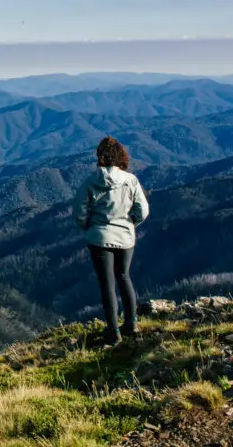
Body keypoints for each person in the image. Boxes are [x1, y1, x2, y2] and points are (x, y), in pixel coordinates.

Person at [74, 136, 149, 346]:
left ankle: (113, 331)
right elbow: (142, 210)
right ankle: (132, 324)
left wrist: (90, 227)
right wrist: (130, 223)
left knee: (107, 284)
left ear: (100, 157)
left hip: (99, 238)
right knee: (124, 277)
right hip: (126, 238)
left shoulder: (90, 181)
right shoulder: (131, 180)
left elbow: (79, 212)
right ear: (121, 156)